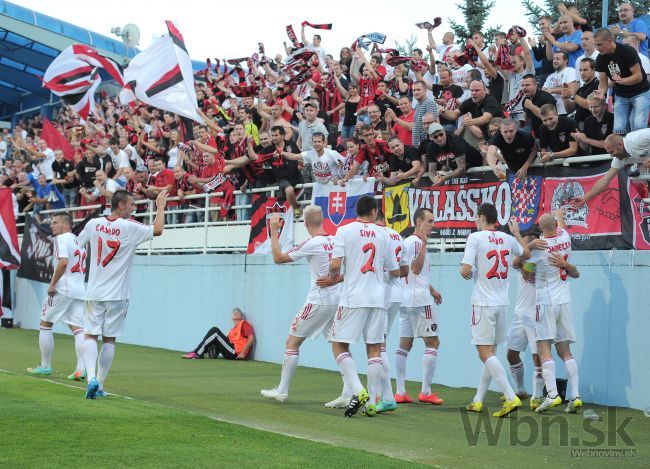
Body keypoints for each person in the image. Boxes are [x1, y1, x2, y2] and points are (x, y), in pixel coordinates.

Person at [77, 189, 168, 399]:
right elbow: (158, 229)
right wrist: (160, 207)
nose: (133, 207)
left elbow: (78, 245)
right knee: (109, 340)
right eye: (131, 204)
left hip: (94, 292)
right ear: (120, 205)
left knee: (90, 335)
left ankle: (90, 377)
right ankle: (99, 384)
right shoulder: (129, 227)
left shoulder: (93, 224)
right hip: (118, 295)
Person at [328, 195, 400, 417]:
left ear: (356, 211)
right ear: (374, 211)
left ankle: (359, 391)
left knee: (338, 344)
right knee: (375, 349)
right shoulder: (384, 234)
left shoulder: (344, 231)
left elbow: (334, 265)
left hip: (353, 297)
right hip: (378, 298)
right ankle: (373, 401)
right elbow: (394, 270)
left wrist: (335, 276)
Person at [260, 206, 341, 402]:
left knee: (292, 342)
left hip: (318, 301)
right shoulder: (335, 240)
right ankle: (350, 391)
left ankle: (282, 391)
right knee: (339, 346)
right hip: (337, 299)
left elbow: (278, 258)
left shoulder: (312, 243)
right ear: (322, 220)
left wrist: (273, 231)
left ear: (305, 224)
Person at [460, 203, 529, 417]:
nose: (475, 221)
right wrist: (517, 234)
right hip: (502, 302)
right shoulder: (507, 239)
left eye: (475, 217)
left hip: (483, 301)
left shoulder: (475, 238)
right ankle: (478, 400)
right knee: (491, 352)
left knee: (484, 352)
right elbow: (525, 253)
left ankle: (510, 396)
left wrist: (465, 271)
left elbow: (465, 270)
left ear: (481, 218)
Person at [525, 211, 582, 414]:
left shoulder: (540, 247)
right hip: (565, 301)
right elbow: (562, 225)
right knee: (565, 351)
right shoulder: (565, 237)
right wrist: (559, 215)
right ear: (556, 224)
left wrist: (529, 247)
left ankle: (552, 394)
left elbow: (521, 264)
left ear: (540, 228)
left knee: (543, 348)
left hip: (546, 302)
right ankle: (575, 396)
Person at [26, 213, 87, 381]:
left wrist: (52, 284)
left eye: (55, 222)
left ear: (66, 224)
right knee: (78, 328)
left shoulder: (61, 239)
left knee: (45, 323)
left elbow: (63, 262)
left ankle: (45, 366)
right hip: (79, 288)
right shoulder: (79, 240)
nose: (51, 225)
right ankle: (81, 369)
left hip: (63, 288)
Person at [394, 208, 444, 406]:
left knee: (404, 345)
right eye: (430, 221)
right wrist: (424, 244)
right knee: (433, 343)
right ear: (419, 222)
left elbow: (414, 274)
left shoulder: (407, 242)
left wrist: (432, 289)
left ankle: (400, 391)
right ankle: (425, 391)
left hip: (406, 299)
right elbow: (416, 268)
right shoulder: (417, 243)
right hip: (420, 302)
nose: (433, 225)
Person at [505, 230, 544, 408]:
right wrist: (527, 247)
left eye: (530, 244)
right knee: (511, 354)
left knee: (538, 355)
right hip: (520, 313)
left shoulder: (542, 259)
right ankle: (520, 390)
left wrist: (530, 250)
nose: (526, 249)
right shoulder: (523, 258)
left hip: (537, 314)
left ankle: (537, 396)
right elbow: (515, 262)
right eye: (525, 245)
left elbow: (527, 274)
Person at [571, 129, 650, 207]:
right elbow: (604, 181)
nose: (612, 156)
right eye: (609, 153)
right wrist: (584, 199)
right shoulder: (619, 159)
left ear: (620, 144)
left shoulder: (636, 139)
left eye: (612, 152)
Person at [594, 28, 650, 134]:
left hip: (641, 93)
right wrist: (601, 92)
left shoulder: (627, 51)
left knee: (638, 127)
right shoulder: (600, 59)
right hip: (621, 95)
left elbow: (638, 77)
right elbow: (603, 82)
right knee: (619, 130)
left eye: (600, 45)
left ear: (610, 41)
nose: (597, 48)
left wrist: (622, 80)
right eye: (596, 45)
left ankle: (641, 151)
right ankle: (624, 151)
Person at [182, 308, 255, 360]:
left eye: (238, 312)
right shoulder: (232, 330)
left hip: (235, 353)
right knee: (215, 337)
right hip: (230, 351)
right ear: (232, 318)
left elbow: (251, 339)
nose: (236, 313)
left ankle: (197, 353)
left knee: (215, 330)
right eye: (234, 313)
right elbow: (224, 342)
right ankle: (205, 353)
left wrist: (242, 353)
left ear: (242, 317)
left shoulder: (244, 324)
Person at [542, 52, 578, 116]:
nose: (555, 61)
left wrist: (552, 90)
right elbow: (543, 92)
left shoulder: (570, 71)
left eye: (558, 59)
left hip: (568, 112)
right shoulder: (550, 76)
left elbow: (571, 90)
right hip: (554, 114)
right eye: (554, 59)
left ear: (565, 61)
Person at [411, 80, 438, 147]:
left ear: (425, 90)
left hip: (427, 145)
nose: (416, 92)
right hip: (419, 146)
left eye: (418, 89)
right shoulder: (417, 105)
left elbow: (433, 125)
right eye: (414, 90)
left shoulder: (429, 103)